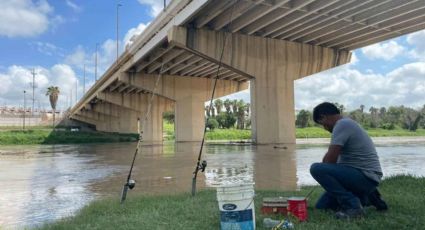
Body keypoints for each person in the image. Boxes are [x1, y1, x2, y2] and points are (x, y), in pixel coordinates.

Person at [310, 102, 388, 220]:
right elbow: (335, 162)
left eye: (322, 124)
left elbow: (329, 161)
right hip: (364, 177)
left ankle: (353, 206)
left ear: (323, 117)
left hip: (366, 177)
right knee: (322, 207)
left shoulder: (342, 124)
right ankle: (370, 198)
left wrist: (324, 168)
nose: (325, 128)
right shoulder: (346, 124)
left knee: (316, 168)